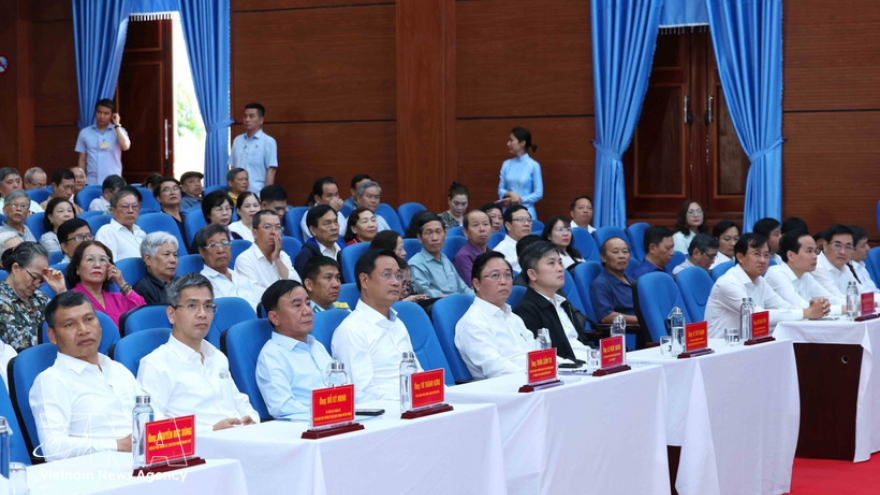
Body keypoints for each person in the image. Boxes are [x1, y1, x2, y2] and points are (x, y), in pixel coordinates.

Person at [29, 291, 142, 462]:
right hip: (98, 475)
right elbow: (52, 447)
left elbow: (150, 416)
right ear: (52, 335)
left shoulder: (119, 370)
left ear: (100, 325)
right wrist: (118, 445)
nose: (83, 330)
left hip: (147, 463)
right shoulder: (51, 381)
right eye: (69, 325)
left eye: (89, 320)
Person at [138, 274, 259, 431]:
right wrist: (210, 431)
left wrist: (251, 420)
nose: (202, 314)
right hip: (197, 450)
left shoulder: (217, 357)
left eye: (208, 306)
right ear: (171, 314)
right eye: (192, 306)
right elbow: (151, 426)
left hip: (238, 439)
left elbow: (238, 400)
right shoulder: (156, 364)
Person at [332, 249, 421, 400]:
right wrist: (406, 402)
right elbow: (362, 392)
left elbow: (417, 374)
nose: (395, 282)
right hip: (388, 414)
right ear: (365, 281)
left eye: (398, 276)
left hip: (417, 406)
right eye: (387, 275)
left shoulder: (398, 323)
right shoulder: (351, 330)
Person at [705, 234, 826, 338]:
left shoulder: (760, 281)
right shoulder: (729, 283)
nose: (763, 260)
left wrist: (811, 309)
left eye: (766, 255)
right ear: (740, 257)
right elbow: (757, 317)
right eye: (756, 254)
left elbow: (782, 305)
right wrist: (805, 313)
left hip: (749, 344)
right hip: (722, 348)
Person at [256, 280, 333, 420]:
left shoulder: (317, 346)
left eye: (308, 303)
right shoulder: (272, 356)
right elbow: (283, 408)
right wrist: (328, 413)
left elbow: (340, 385)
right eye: (297, 305)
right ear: (275, 317)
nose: (308, 310)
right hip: (305, 427)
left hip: (337, 419)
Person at [455, 252, 535, 379]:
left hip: (534, 381)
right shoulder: (473, 322)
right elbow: (495, 368)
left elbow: (536, 353)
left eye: (508, 275)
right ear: (477, 284)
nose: (503, 281)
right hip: (506, 390)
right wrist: (533, 375)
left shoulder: (514, 318)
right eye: (495, 276)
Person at [513, 241, 589, 363]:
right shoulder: (527, 310)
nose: (560, 269)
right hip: (569, 369)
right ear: (532, 274)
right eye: (551, 263)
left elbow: (579, 341)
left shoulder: (563, 303)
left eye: (560, 262)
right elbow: (542, 356)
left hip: (588, 359)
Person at [0, 243, 67, 352]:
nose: (37, 284)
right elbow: (22, 343)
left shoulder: (40, 298)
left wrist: (61, 291)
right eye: (34, 277)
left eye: (41, 280)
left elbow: (69, 322)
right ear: (16, 268)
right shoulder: (2, 301)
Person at [67, 240, 145, 325]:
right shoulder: (71, 299)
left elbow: (143, 316)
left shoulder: (117, 298)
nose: (97, 265)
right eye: (90, 259)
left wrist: (122, 283)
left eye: (102, 259)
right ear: (77, 268)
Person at [765, 230, 842, 315]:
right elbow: (802, 308)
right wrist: (841, 309)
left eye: (815, 251)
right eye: (809, 251)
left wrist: (848, 305)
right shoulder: (776, 274)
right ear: (791, 256)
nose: (815, 257)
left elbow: (831, 299)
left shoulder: (805, 275)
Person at [196, 225, 263, 310]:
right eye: (213, 245)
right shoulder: (203, 284)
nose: (221, 250)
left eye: (224, 243)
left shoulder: (239, 276)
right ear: (202, 252)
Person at [408, 213, 473, 297]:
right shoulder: (415, 264)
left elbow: (463, 288)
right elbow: (425, 292)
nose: (435, 238)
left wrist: (479, 299)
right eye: (429, 233)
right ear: (420, 238)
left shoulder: (445, 259)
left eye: (438, 232)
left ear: (445, 234)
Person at [236, 210, 301, 291]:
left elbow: (297, 286)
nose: (274, 232)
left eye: (277, 227)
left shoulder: (282, 256)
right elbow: (253, 294)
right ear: (254, 233)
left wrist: (277, 259)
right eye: (267, 227)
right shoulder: (245, 260)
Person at [75, 98, 131, 185]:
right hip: (92, 180)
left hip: (113, 180)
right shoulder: (85, 133)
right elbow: (82, 158)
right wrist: (80, 178)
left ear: (112, 115)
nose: (101, 116)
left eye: (106, 113)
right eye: (99, 112)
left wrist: (117, 125)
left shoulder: (119, 131)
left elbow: (125, 146)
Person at [230, 102, 277, 193]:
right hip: (238, 194)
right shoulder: (237, 140)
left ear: (261, 120)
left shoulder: (268, 141)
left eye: (251, 116)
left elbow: (271, 170)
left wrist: (266, 196)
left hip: (257, 192)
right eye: (245, 116)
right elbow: (233, 167)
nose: (247, 120)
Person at [590, 237, 639, 326]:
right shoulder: (601, 284)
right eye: (615, 252)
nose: (622, 256)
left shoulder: (631, 280)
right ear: (603, 257)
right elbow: (606, 317)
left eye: (625, 252)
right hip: (629, 332)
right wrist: (641, 319)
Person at [498, 127, 543, 219]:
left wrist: (519, 200)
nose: (508, 144)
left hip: (526, 211)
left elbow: (538, 193)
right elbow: (500, 189)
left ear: (522, 143)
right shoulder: (506, 164)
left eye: (511, 140)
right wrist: (511, 194)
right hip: (508, 212)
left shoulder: (533, 165)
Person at [94, 186, 147, 261]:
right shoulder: (107, 232)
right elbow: (107, 264)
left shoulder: (141, 233)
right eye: (125, 207)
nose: (131, 211)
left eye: (134, 206)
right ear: (113, 211)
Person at [293, 205, 342, 278]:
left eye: (336, 222)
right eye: (327, 223)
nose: (334, 227)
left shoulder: (344, 248)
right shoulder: (306, 256)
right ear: (313, 230)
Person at [132, 232, 179, 305]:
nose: (173, 260)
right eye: (166, 254)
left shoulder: (181, 283)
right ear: (148, 259)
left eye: (175, 255)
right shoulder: (144, 289)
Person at [812, 224, 858, 297]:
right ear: (824, 245)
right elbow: (836, 299)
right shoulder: (817, 266)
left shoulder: (845, 268)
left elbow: (862, 293)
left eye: (848, 247)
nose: (842, 252)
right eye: (837, 245)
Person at [300, 177, 347, 242]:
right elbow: (322, 240)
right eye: (329, 196)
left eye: (336, 195)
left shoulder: (339, 213)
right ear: (318, 199)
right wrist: (332, 211)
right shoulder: (309, 215)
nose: (335, 199)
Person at [453, 209, 492, 287]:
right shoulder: (463, 257)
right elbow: (474, 287)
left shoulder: (491, 252)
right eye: (475, 225)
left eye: (485, 224)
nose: (482, 229)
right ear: (466, 232)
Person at [492, 205, 532, 273]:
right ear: (508, 225)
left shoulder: (535, 246)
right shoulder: (500, 252)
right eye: (520, 220)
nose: (527, 224)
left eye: (529, 220)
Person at [848, 225, 877, 293]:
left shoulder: (861, 265)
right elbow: (864, 296)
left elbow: (874, 292)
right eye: (863, 246)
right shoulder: (847, 269)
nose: (868, 248)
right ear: (850, 249)